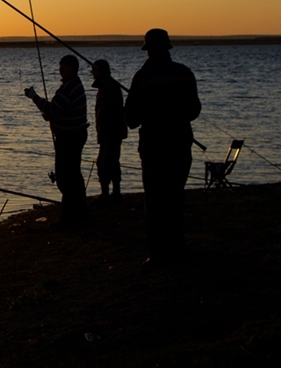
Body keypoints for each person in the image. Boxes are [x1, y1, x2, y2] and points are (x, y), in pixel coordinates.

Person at [124, 28, 201, 262]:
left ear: (148, 51)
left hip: (154, 146)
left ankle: (157, 253)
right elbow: (194, 111)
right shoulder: (184, 73)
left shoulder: (143, 77)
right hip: (180, 143)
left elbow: (131, 120)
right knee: (176, 196)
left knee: (155, 199)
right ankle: (178, 247)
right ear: (167, 48)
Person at [24, 55, 89, 227]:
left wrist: (34, 97)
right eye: (60, 66)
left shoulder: (69, 87)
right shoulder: (73, 85)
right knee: (73, 174)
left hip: (69, 137)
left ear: (72, 68)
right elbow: (57, 111)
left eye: (64, 66)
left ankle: (69, 216)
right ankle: (79, 211)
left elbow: (53, 109)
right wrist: (52, 116)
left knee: (66, 177)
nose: (61, 69)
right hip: (74, 134)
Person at [90, 59, 128, 202]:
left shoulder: (109, 87)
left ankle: (110, 193)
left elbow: (108, 112)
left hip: (111, 132)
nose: (92, 73)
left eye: (94, 70)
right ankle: (111, 192)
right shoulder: (105, 86)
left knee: (105, 161)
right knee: (110, 161)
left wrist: (104, 130)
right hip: (108, 132)